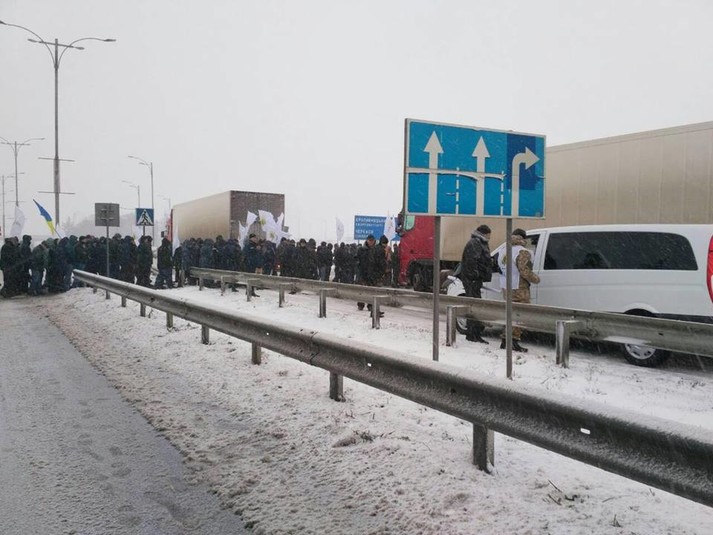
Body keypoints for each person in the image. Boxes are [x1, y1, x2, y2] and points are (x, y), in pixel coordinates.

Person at [498, 228, 540, 352]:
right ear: (523, 238)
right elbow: (524, 271)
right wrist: (536, 279)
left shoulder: (503, 250)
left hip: (506, 286)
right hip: (519, 287)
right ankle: (513, 341)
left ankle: (505, 340)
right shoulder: (522, 251)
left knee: (509, 313)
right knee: (519, 313)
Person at [460, 224, 493, 343]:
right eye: (489, 235)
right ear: (484, 234)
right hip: (472, 280)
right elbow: (472, 261)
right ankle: (473, 334)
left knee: (475, 305)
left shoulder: (480, 242)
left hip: (474, 279)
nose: (490, 237)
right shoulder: (475, 243)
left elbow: (483, 260)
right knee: (474, 306)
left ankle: (474, 333)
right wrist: (475, 275)